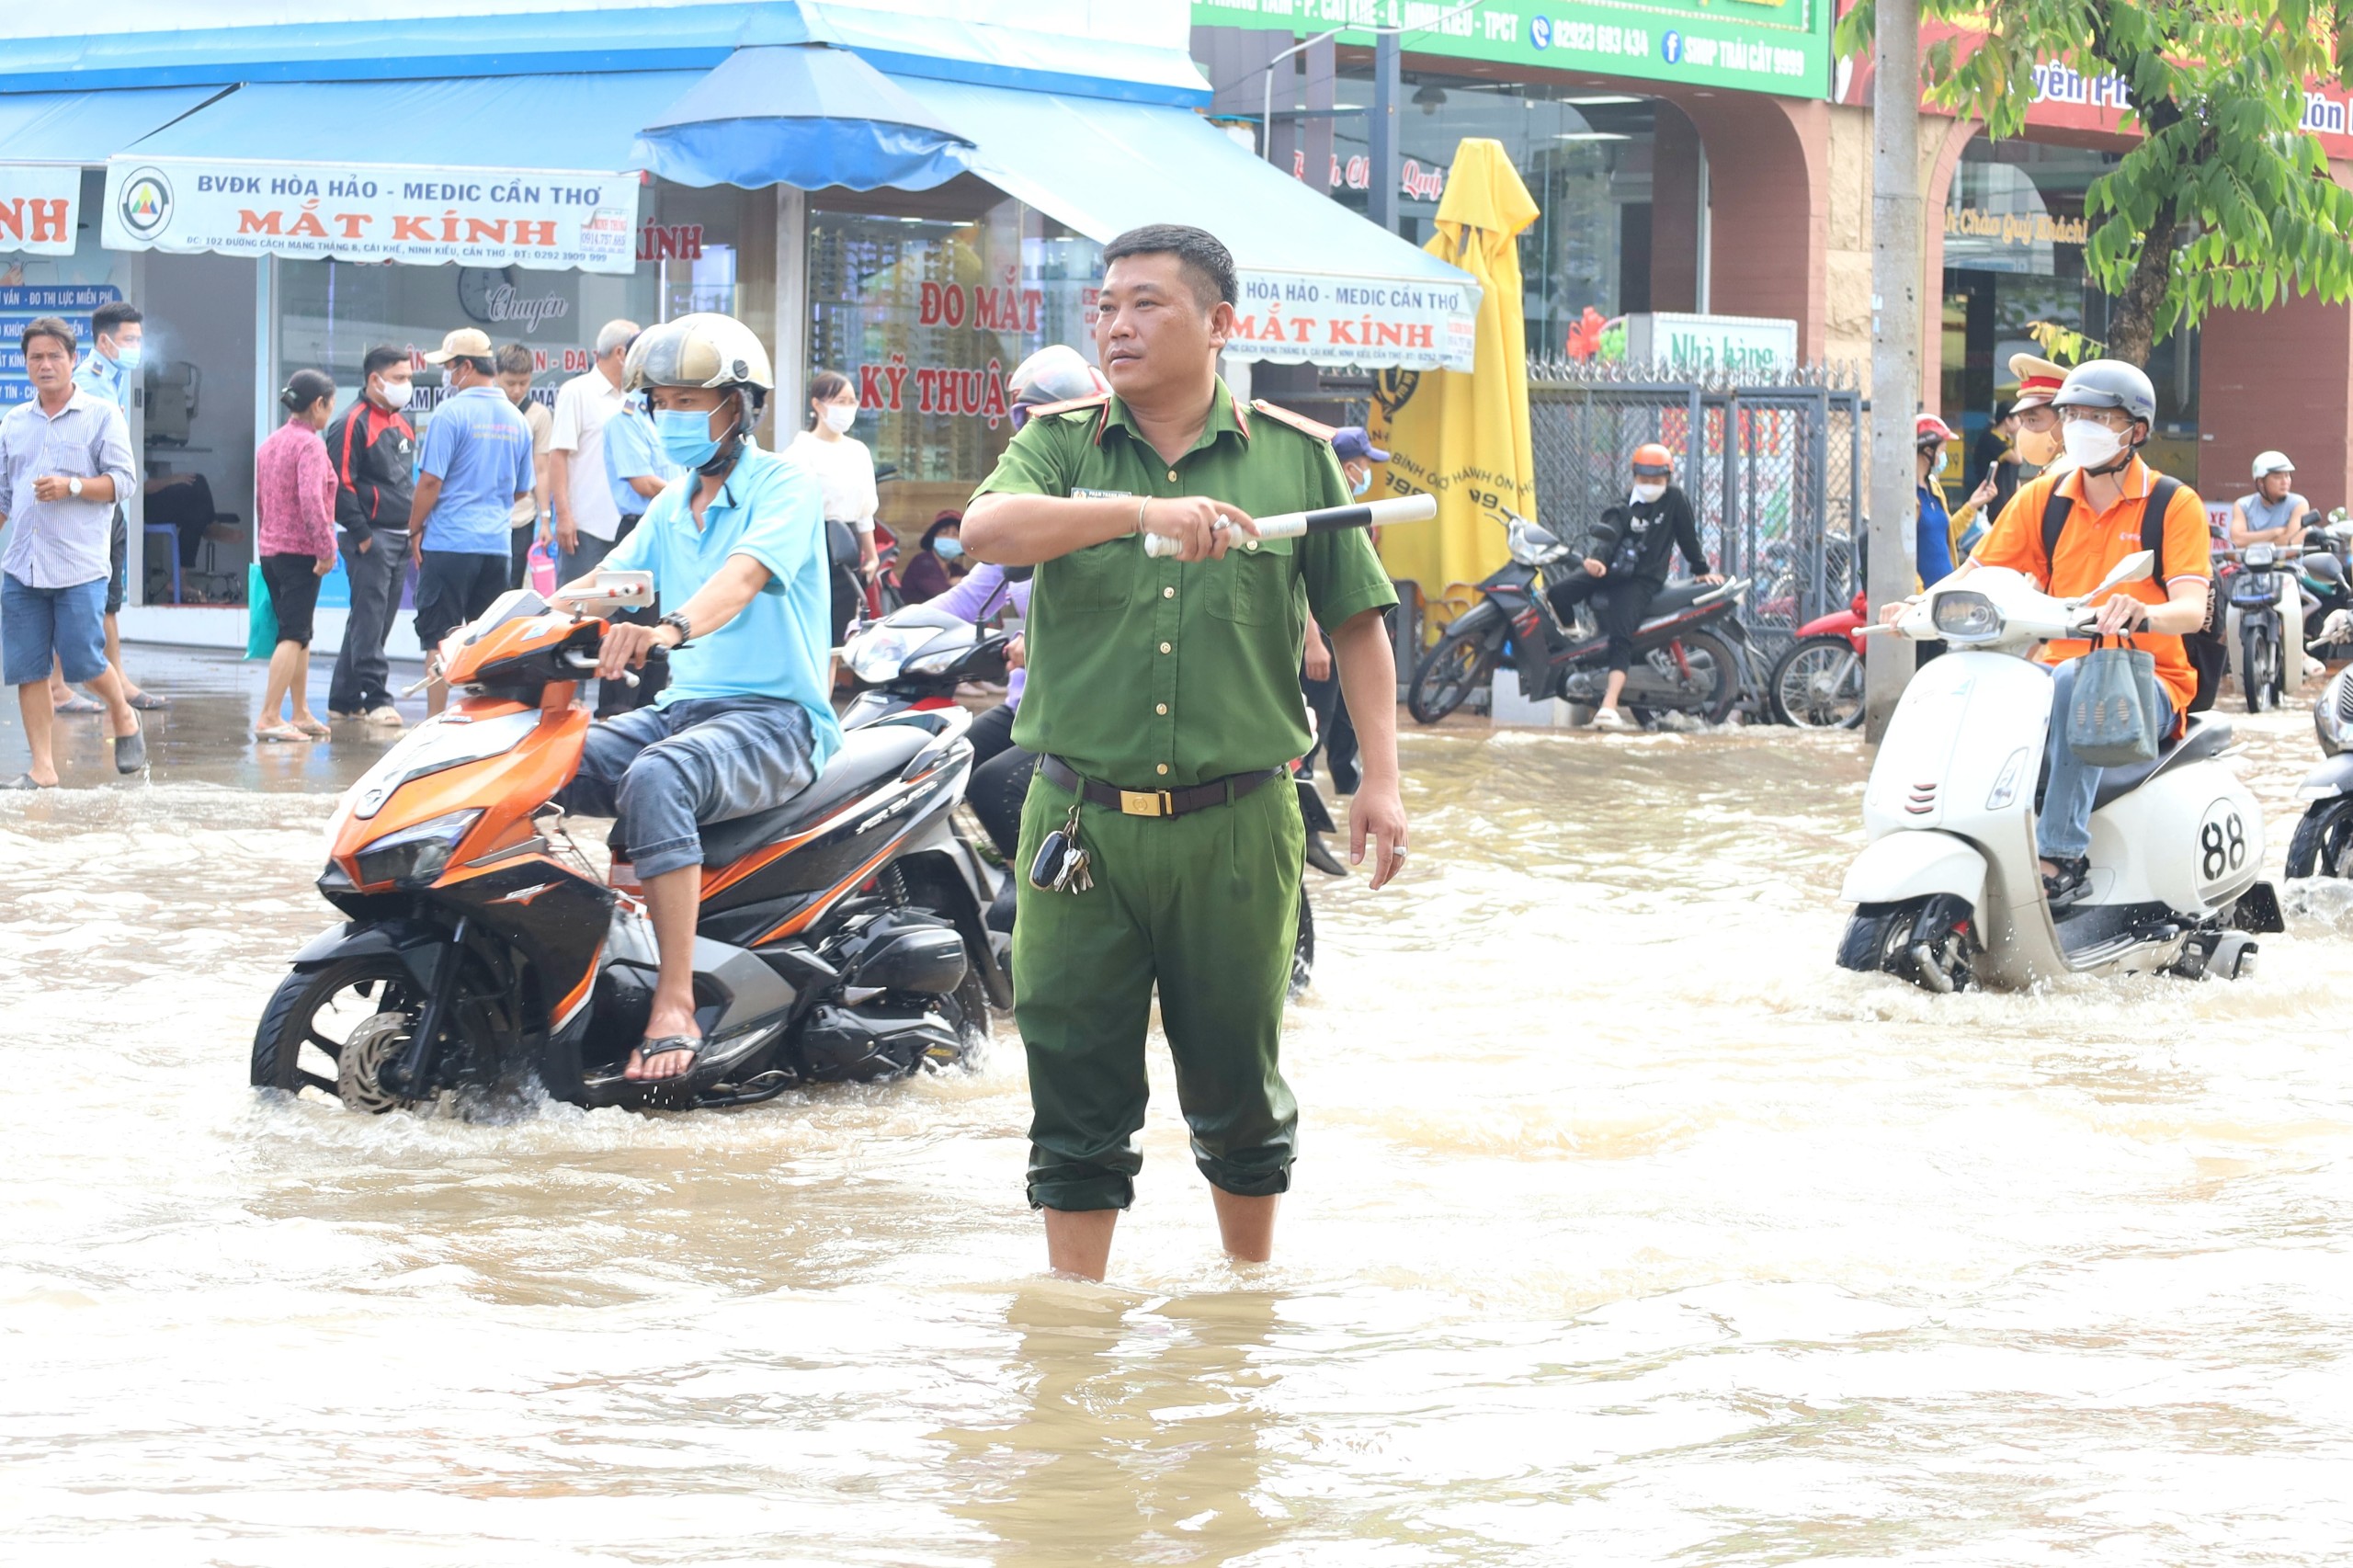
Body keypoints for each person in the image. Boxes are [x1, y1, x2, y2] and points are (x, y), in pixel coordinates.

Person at [961, 222, 1409, 1281]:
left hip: (1242, 819)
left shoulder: (1294, 454)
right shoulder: (1063, 443)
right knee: (1071, 1079)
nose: (1117, 323)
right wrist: (1136, 512)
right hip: (1079, 822)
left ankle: (1245, 1310)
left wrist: (1381, 779)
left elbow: (1355, 623)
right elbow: (987, 532)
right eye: (1106, 304)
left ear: (1219, 324)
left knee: (1238, 1081)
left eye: (1146, 303)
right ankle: (1074, 1331)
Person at [548, 312, 839, 1084]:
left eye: (691, 401)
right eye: (662, 402)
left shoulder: (786, 485)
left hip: (777, 720)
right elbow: (598, 587)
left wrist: (668, 628)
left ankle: (672, 1000)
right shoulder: (673, 504)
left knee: (658, 776)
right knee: (542, 759)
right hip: (687, 710)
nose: (673, 417)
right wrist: (503, 630)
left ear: (740, 407)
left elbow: (740, 580)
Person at [1887, 360, 2211, 907]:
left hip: (2147, 680)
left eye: (2098, 417)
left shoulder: (2172, 503)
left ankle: (2062, 854)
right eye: (2074, 415)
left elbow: (2191, 607)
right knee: (1981, 681)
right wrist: (1919, 605)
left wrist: (2142, 612)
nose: (2081, 426)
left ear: (2135, 430)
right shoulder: (2044, 497)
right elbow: (1977, 569)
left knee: (2072, 682)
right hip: (2059, 667)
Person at [0, 315, 143, 788]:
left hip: (79, 565)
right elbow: (5, 496)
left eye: (54, 356)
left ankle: (121, 710)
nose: (45, 365)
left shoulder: (101, 414)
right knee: (28, 668)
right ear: (25, 363)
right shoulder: (13, 422)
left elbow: (124, 482)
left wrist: (72, 486)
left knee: (82, 661)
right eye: (35, 357)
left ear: (73, 359)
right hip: (22, 565)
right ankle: (42, 768)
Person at [1545, 441, 1722, 731]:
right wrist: (1595, 561)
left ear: (1668, 478)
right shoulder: (1622, 506)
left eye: (1657, 480)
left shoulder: (1675, 500)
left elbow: (1687, 538)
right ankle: (1577, 640)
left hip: (1642, 581)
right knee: (1557, 594)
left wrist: (1701, 570)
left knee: (1621, 637)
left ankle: (1609, 704)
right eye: (1644, 479)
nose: (1650, 485)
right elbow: (1607, 540)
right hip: (1609, 573)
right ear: (1634, 477)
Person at [410, 327, 535, 716]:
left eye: (448, 366)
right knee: (486, 639)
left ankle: (434, 723)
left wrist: (414, 527)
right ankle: (484, 719)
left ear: (465, 367)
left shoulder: (450, 414)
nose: (446, 374)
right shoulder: (517, 420)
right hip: (496, 547)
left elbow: (430, 481)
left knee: (440, 636)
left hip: (449, 543)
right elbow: (521, 491)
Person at [50, 299, 165, 717]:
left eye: (139, 338)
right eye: (129, 339)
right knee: (84, 595)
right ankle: (66, 686)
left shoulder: (110, 379)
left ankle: (108, 682)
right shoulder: (90, 382)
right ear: (104, 341)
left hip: (104, 500)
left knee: (104, 597)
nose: (137, 346)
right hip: (88, 503)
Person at [324, 346, 417, 727]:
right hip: (371, 538)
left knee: (374, 620)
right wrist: (362, 535)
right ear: (374, 380)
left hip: (399, 537)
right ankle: (377, 697)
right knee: (370, 618)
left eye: (408, 378)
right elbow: (339, 484)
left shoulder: (402, 423)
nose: (406, 385)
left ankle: (343, 699)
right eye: (399, 378)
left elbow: (405, 483)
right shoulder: (350, 423)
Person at [251, 370, 340, 743]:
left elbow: (260, 500)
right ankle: (270, 715)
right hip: (301, 552)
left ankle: (300, 711)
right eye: (329, 406)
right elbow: (311, 499)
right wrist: (326, 548)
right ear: (318, 404)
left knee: (300, 632)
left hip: (272, 550)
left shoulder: (270, 443)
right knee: (292, 634)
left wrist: (265, 541)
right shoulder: (310, 445)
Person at [1301, 425, 1384, 793]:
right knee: (1313, 724)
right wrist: (1313, 644)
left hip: (1347, 639)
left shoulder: (1353, 511)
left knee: (1346, 731)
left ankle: (1348, 796)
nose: (1368, 473)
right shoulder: (1319, 510)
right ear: (1349, 467)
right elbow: (1301, 585)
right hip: (1322, 639)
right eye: (1365, 464)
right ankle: (1302, 790)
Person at [594, 376, 681, 715]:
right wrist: (690, 497)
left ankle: (651, 715)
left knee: (659, 636)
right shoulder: (626, 419)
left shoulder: (665, 418)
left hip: (673, 530)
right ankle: (615, 719)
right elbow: (642, 482)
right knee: (626, 639)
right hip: (639, 533)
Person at [782, 369, 881, 639]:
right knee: (809, 630)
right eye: (840, 401)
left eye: (852, 401)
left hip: (847, 551)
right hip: (811, 543)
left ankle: (830, 681)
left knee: (839, 633)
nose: (848, 408)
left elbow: (864, 514)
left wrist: (871, 557)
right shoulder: (799, 452)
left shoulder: (858, 451)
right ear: (817, 405)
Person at [549, 319, 640, 585]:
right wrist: (563, 516)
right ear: (621, 353)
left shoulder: (635, 398)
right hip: (587, 527)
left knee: (627, 614)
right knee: (582, 612)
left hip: (630, 528)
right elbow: (558, 456)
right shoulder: (577, 392)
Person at [2228, 449, 2313, 695]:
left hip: (2286, 570)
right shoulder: (2242, 505)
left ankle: (2300, 653)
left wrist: (2256, 540)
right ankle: (2230, 661)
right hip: (2249, 571)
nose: (2285, 480)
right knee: (2227, 610)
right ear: (2260, 481)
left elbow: (2290, 545)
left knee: (2294, 605)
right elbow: (2237, 537)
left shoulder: (2299, 503)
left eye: (2288, 475)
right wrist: (2275, 532)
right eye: (2277, 476)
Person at [494, 343, 553, 590]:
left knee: (512, 586)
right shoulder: (487, 410)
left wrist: (546, 519)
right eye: (510, 383)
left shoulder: (539, 415)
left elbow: (541, 468)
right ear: (496, 375)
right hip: (487, 516)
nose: (517, 390)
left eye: (524, 382)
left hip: (523, 516)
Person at [1971, 401, 2022, 516]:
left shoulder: (2007, 441)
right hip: (1994, 502)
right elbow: (2017, 459)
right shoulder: (1991, 439)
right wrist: (2017, 436)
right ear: (2008, 420)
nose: (2020, 423)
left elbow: (2014, 474)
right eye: (2018, 418)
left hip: (2008, 501)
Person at [898, 513, 962, 602]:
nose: (950, 537)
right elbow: (944, 596)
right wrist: (958, 584)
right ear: (933, 537)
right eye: (944, 532)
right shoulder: (922, 562)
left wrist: (962, 581)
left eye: (956, 534)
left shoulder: (956, 569)